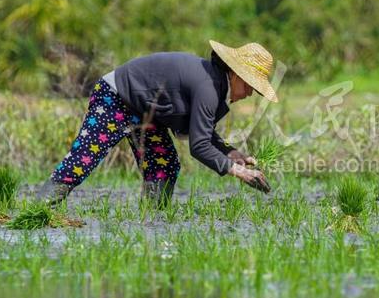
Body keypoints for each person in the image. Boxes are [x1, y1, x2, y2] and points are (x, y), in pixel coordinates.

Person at [36, 40, 278, 206]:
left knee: (165, 165)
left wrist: (232, 153)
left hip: (145, 112)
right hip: (116, 96)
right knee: (84, 159)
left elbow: (201, 131)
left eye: (254, 90)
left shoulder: (215, 85)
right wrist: (238, 171)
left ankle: (152, 220)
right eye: (249, 85)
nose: (249, 93)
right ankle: (40, 209)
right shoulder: (209, 88)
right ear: (236, 74)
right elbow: (199, 146)